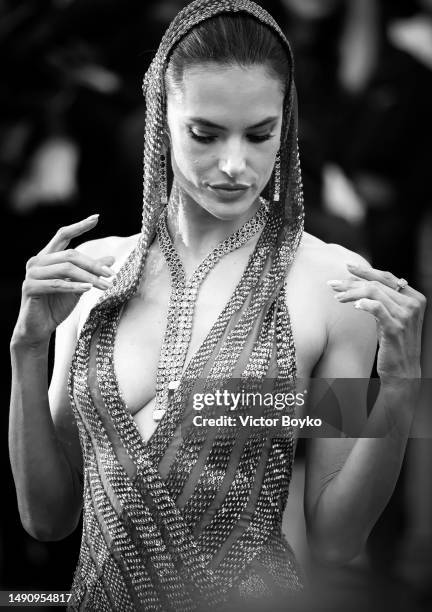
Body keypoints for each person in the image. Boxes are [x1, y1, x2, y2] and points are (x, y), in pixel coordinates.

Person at [8, 1, 427, 610]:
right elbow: (46, 518)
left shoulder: (332, 285)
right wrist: (26, 348)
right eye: (205, 134)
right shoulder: (92, 273)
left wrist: (401, 388)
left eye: (261, 135)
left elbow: (338, 538)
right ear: (161, 116)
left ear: (286, 125)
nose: (235, 164)